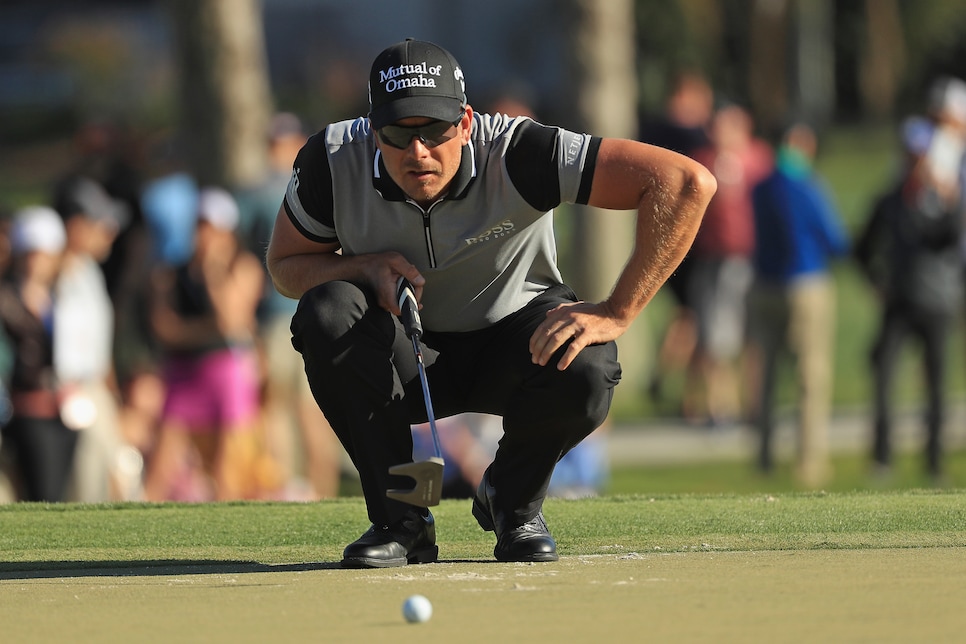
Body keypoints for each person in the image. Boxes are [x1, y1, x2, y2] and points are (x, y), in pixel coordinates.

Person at [265, 39, 715, 568]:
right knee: (326, 313)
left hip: (515, 340)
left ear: (466, 122)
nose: (418, 152)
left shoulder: (519, 152)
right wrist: (359, 267)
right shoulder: (333, 160)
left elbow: (686, 182)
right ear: (372, 129)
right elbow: (285, 267)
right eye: (397, 134)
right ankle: (402, 522)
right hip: (402, 357)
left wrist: (617, 310)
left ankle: (512, 502)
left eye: (435, 130)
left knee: (589, 364)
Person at [854, 77, 966, 482]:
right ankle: (882, 458)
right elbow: (863, 246)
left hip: (938, 300)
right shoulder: (891, 198)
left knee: (936, 386)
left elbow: (948, 240)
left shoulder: (948, 197)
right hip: (900, 298)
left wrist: (951, 202)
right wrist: (876, 280)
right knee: (884, 377)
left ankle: (934, 463)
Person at [235, 113, 344, 500]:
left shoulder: (253, 193)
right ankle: (317, 491)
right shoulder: (323, 184)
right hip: (311, 312)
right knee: (307, 408)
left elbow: (245, 257)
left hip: (281, 314)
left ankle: (296, 489)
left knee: (281, 411)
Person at [143, 187, 266, 501]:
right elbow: (165, 329)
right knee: (164, 457)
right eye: (199, 226)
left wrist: (213, 273)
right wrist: (205, 330)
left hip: (226, 372)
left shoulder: (243, 266)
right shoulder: (170, 273)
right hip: (183, 372)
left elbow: (230, 322)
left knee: (227, 464)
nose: (204, 235)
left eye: (211, 228)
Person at [748, 122, 850, 488]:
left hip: (763, 285)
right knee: (811, 375)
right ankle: (809, 462)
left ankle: (763, 455)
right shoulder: (808, 187)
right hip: (805, 284)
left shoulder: (760, 188)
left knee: (768, 374)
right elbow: (835, 239)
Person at [52, 177, 142, 502]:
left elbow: (98, 350)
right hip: (66, 392)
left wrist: (114, 402)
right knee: (86, 489)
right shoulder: (52, 274)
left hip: (95, 391)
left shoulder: (90, 270)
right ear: (76, 225)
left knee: (121, 479)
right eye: (102, 223)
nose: (111, 231)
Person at [687, 103, 773, 427]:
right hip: (714, 260)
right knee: (716, 336)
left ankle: (756, 404)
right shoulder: (702, 161)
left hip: (752, 259)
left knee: (755, 336)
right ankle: (720, 406)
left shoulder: (759, 160)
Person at [0, 207, 75, 502]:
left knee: (57, 493)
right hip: (25, 409)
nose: (36, 263)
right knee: (39, 496)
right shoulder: (7, 300)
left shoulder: (65, 298)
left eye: (43, 254)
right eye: (30, 254)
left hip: (66, 409)